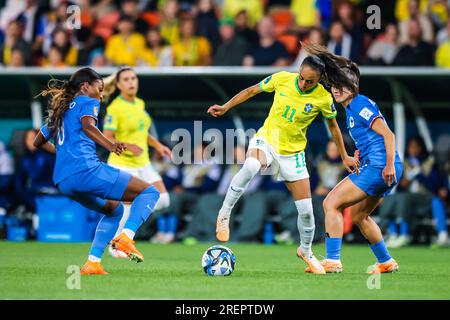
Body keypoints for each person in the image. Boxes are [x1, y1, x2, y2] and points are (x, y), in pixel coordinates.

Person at [207, 42, 360, 274]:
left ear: (319, 80)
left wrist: (345, 155)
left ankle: (306, 251)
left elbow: (334, 128)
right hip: (267, 140)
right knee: (250, 165)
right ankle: (224, 214)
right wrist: (226, 107)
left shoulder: (322, 98)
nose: (303, 83)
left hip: (293, 154)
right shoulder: (282, 79)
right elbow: (251, 90)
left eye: (309, 81)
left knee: (307, 212)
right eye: (301, 77)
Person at [33, 67, 160, 275]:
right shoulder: (87, 102)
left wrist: (64, 155)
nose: (101, 94)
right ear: (85, 87)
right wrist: (110, 145)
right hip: (87, 171)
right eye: (99, 88)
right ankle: (126, 237)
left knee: (114, 210)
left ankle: (93, 263)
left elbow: (37, 142)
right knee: (150, 192)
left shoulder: (61, 111)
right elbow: (88, 126)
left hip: (64, 181)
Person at [305, 44, 403, 274]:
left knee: (330, 203)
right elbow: (373, 137)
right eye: (333, 87)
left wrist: (388, 164)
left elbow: (389, 134)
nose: (336, 90)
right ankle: (386, 262)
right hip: (380, 164)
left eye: (340, 87)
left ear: (352, 87)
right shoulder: (350, 108)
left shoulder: (359, 103)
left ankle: (332, 260)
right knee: (360, 215)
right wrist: (362, 151)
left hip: (380, 166)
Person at [102, 67, 172, 257]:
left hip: (143, 163)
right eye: (126, 79)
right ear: (118, 84)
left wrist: (158, 146)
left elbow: (143, 132)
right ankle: (116, 244)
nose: (131, 82)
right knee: (127, 205)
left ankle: (121, 235)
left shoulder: (139, 103)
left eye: (133, 78)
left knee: (163, 199)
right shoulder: (115, 108)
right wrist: (128, 146)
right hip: (122, 164)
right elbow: (106, 137)